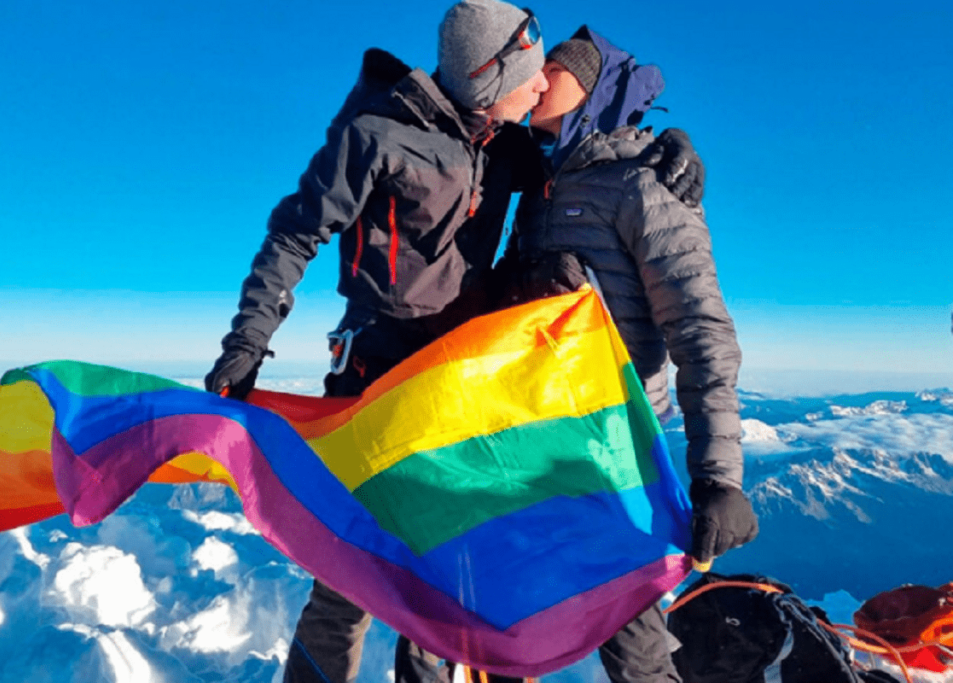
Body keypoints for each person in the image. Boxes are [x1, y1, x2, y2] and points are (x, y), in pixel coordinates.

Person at [205, 3, 706, 682]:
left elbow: (589, 153)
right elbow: (295, 234)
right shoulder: (374, 135)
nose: (539, 88)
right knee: (350, 576)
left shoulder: (509, 147)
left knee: (454, 577)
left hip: (462, 382)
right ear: (486, 76)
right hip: (375, 374)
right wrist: (247, 343)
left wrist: (668, 144)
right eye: (529, 74)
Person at [506, 27, 759, 683]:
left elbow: (700, 328)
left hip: (611, 446)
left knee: (633, 642)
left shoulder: (645, 184)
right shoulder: (537, 187)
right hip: (526, 434)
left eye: (552, 67)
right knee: (504, 620)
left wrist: (718, 478)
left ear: (588, 89)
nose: (535, 77)